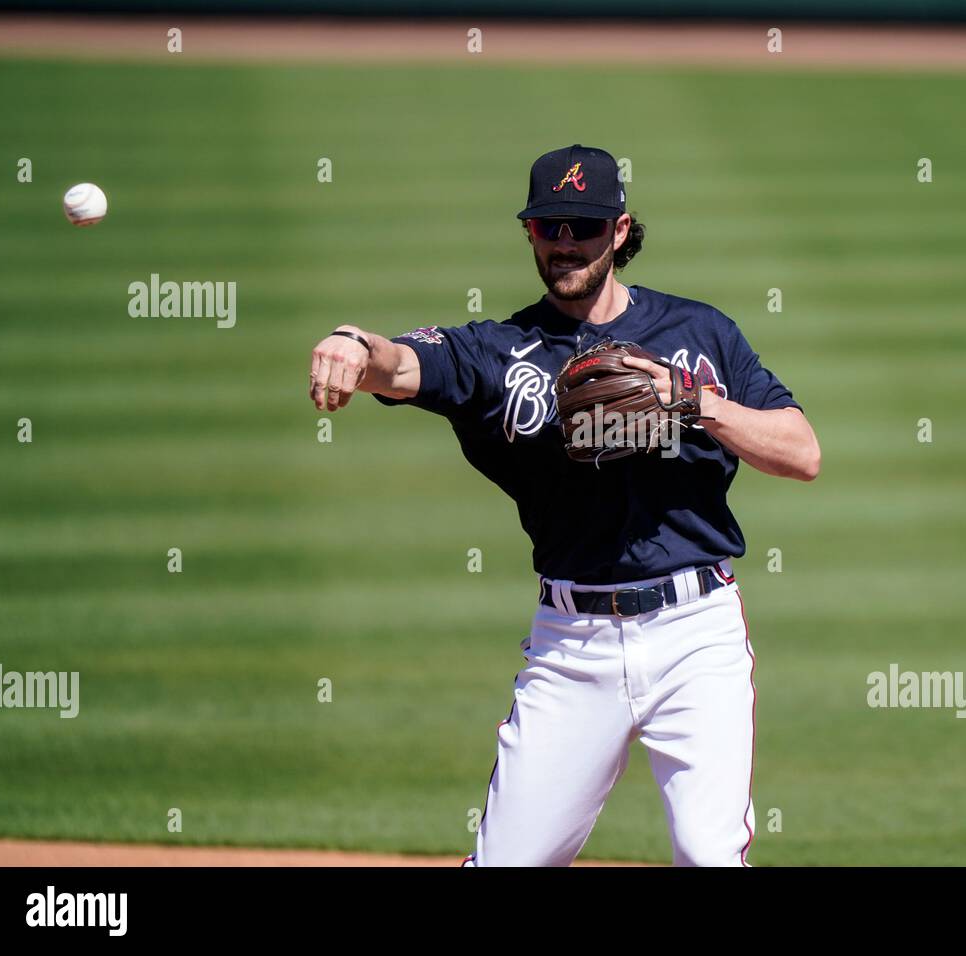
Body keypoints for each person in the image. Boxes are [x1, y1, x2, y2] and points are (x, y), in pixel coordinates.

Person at [308, 144, 820, 866]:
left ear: (619, 230)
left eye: (582, 226)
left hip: (695, 633)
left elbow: (803, 453)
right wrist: (353, 344)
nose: (565, 243)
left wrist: (693, 401)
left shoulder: (701, 334)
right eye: (549, 226)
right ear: (529, 233)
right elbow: (405, 363)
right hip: (570, 645)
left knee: (711, 856)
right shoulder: (502, 352)